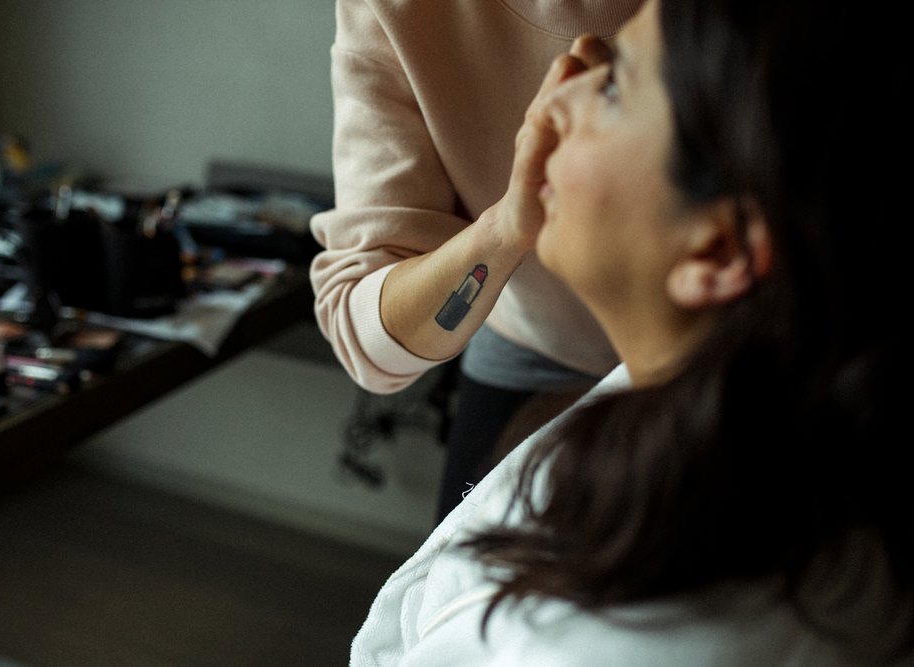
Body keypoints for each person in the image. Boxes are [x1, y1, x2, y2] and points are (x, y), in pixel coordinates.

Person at [349, 0, 913, 663]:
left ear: (718, 251)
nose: (551, 102)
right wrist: (506, 225)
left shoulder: (611, 644)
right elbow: (361, 324)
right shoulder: (738, 395)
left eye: (613, 83)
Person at [310, 0, 645, 521]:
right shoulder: (398, 11)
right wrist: (506, 228)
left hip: (755, 352)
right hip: (537, 344)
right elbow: (365, 336)